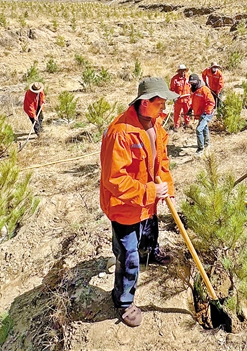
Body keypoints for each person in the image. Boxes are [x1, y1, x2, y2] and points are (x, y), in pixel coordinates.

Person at [99, 77, 178, 328]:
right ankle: (123, 301)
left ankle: (150, 253)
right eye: (160, 104)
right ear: (144, 103)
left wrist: (167, 188)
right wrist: (149, 191)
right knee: (127, 254)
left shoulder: (156, 125)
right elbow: (114, 179)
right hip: (124, 206)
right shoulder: (119, 133)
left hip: (147, 200)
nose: (164, 109)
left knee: (149, 232)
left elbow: (161, 163)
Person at [189, 74, 215, 154]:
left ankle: (200, 149)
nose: (192, 84)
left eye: (194, 82)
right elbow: (194, 101)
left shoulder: (204, 89)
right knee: (204, 128)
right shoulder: (194, 90)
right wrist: (191, 109)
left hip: (207, 113)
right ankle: (207, 144)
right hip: (200, 113)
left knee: (199, 129)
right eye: (191, 82)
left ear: (198, 81)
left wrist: (206, 112)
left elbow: (211, 102)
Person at [169, 64, 191, 130]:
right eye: (181, 71)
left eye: (184, 71)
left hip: (187, 99)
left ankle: (187, 124)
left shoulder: (188, 77)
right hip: (178, 100)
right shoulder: (175, 79)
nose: (183, 72)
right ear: (178, 71)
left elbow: (191, 87)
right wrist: (174, 97)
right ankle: (176, 126)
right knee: (177, 113)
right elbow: (172, 89)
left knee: (187, 112)